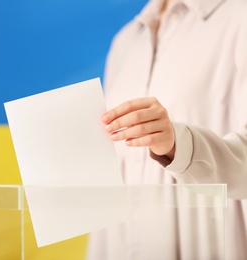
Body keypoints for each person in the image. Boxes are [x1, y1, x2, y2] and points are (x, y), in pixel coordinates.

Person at [87, 0, 247, 259]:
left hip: (208, 245)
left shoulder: (241, 18)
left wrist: (178, 146)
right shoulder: (127, 40)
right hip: (120, 246)